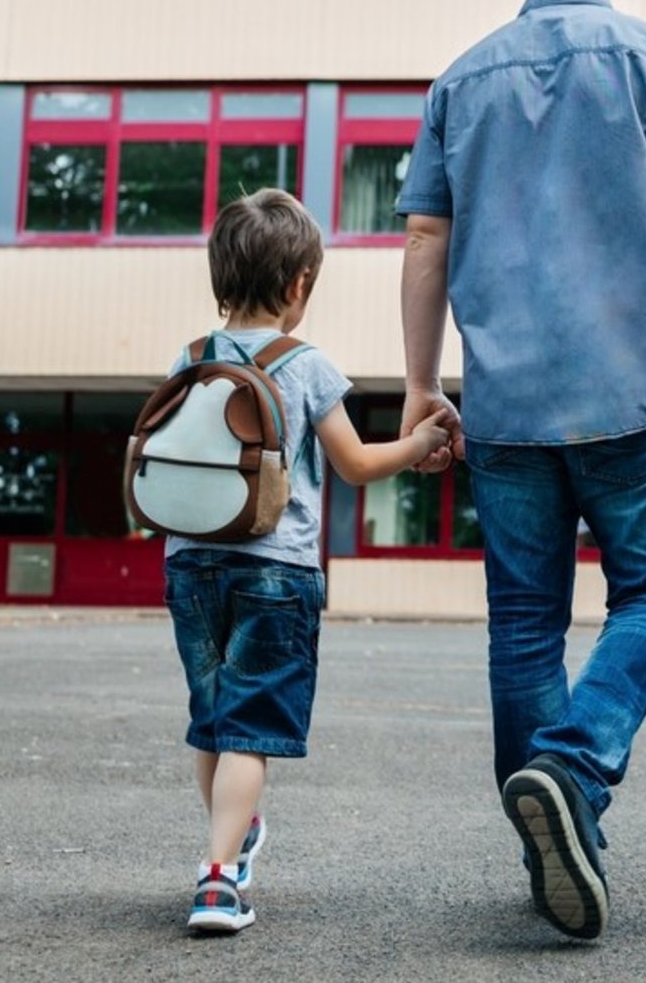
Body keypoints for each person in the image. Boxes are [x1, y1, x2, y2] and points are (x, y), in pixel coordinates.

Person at [394, 0, 646, 942]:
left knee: (524, 626)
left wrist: (421, 385)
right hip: (634, 396)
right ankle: (572, 770)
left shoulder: (459, 80)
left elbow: (422, 241)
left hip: (504, 407)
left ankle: (551, 833)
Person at [163, 190, 452, 934]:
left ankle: (230, 834)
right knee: (251, 725)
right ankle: (220, 878)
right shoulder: (306, 364)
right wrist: (420, 447)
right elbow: (354, 464)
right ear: (299, 286)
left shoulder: (191, 358)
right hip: (276, 571)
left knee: (214, 719)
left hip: (190, 562)